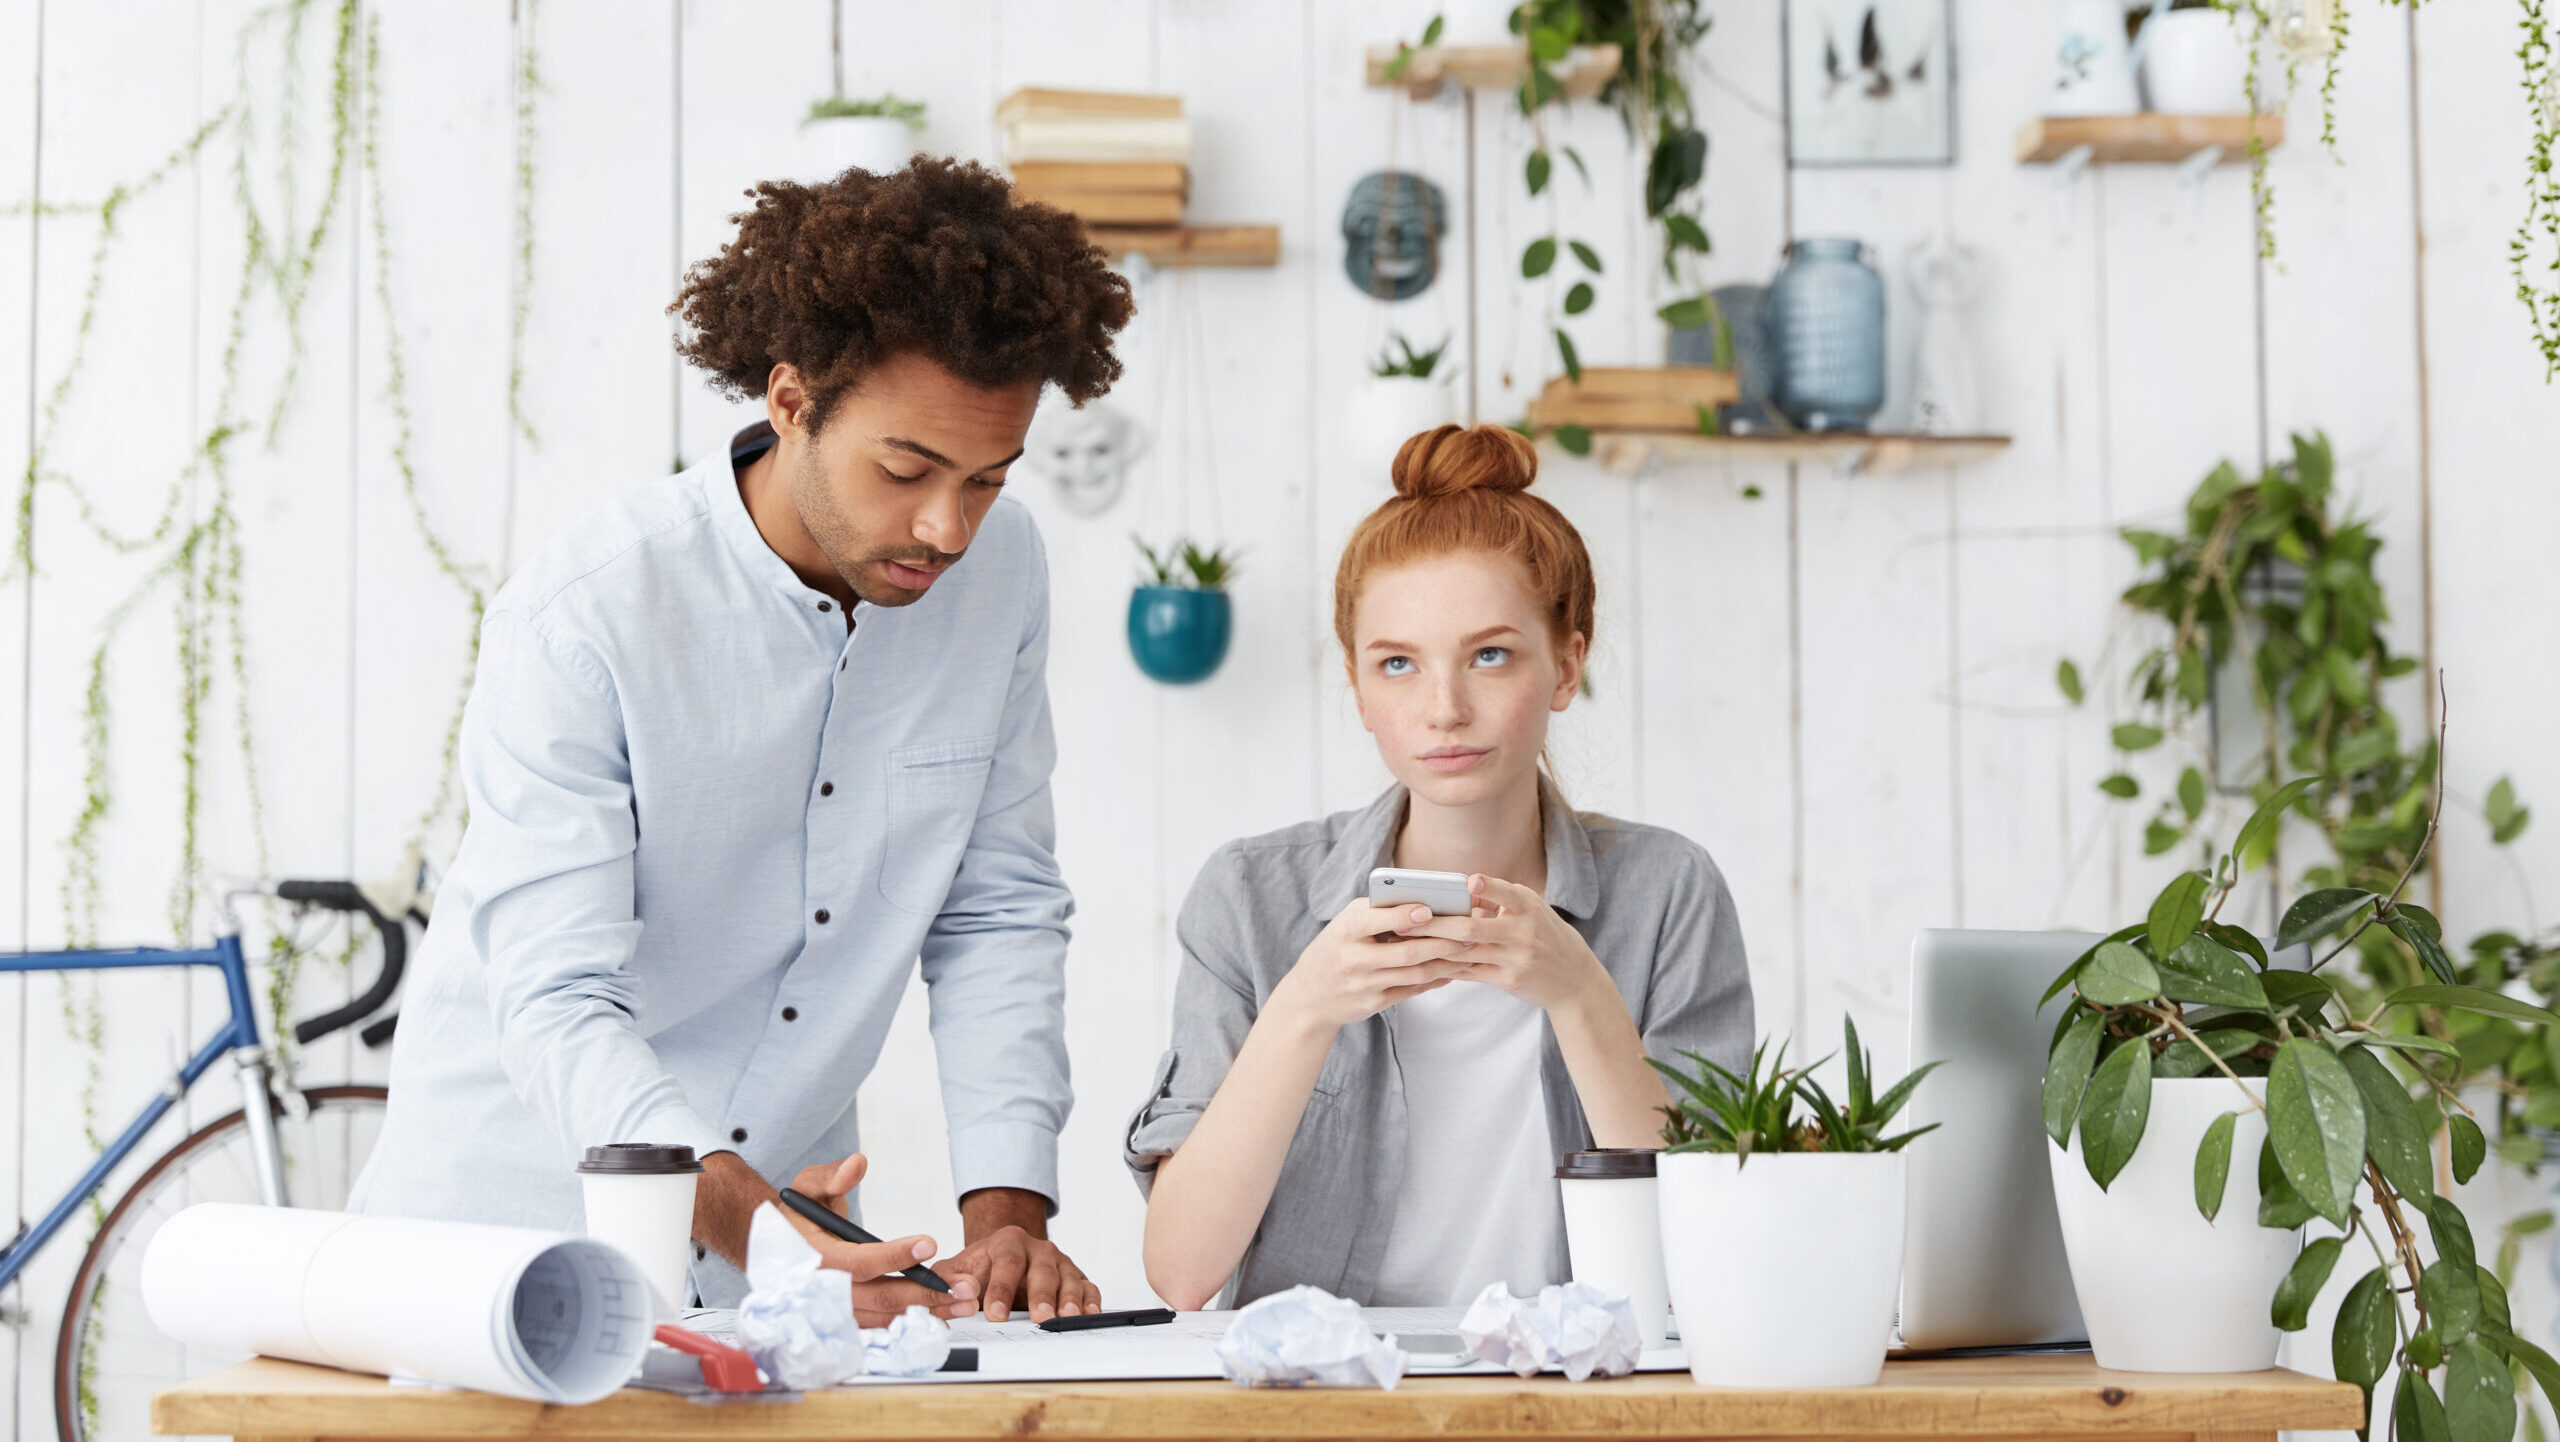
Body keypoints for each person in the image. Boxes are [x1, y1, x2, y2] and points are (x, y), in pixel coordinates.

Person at [349, 158, 1134, 1323]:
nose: (947, 527)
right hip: (508, 1227)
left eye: (985, 478)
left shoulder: (1002, 574)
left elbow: (997, 906)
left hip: (793, 1248)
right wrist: (758, 1228)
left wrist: (1008, 1221)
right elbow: (560, 998)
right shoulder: (587, 618)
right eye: (907, 470)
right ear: (789, 398)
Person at [1125, 424, 1754, 1311]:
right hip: (1330, 1403)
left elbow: (1711, 1257)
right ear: (1358, 689)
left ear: (1567, 665)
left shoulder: (1668, 893)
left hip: (1577, 1400)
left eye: (1490, 655)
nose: (1445, 709)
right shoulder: (1247, 897)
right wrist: (1306, 1006)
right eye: (1398, 665)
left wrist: (1579, 993)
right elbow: (1184, 1273)